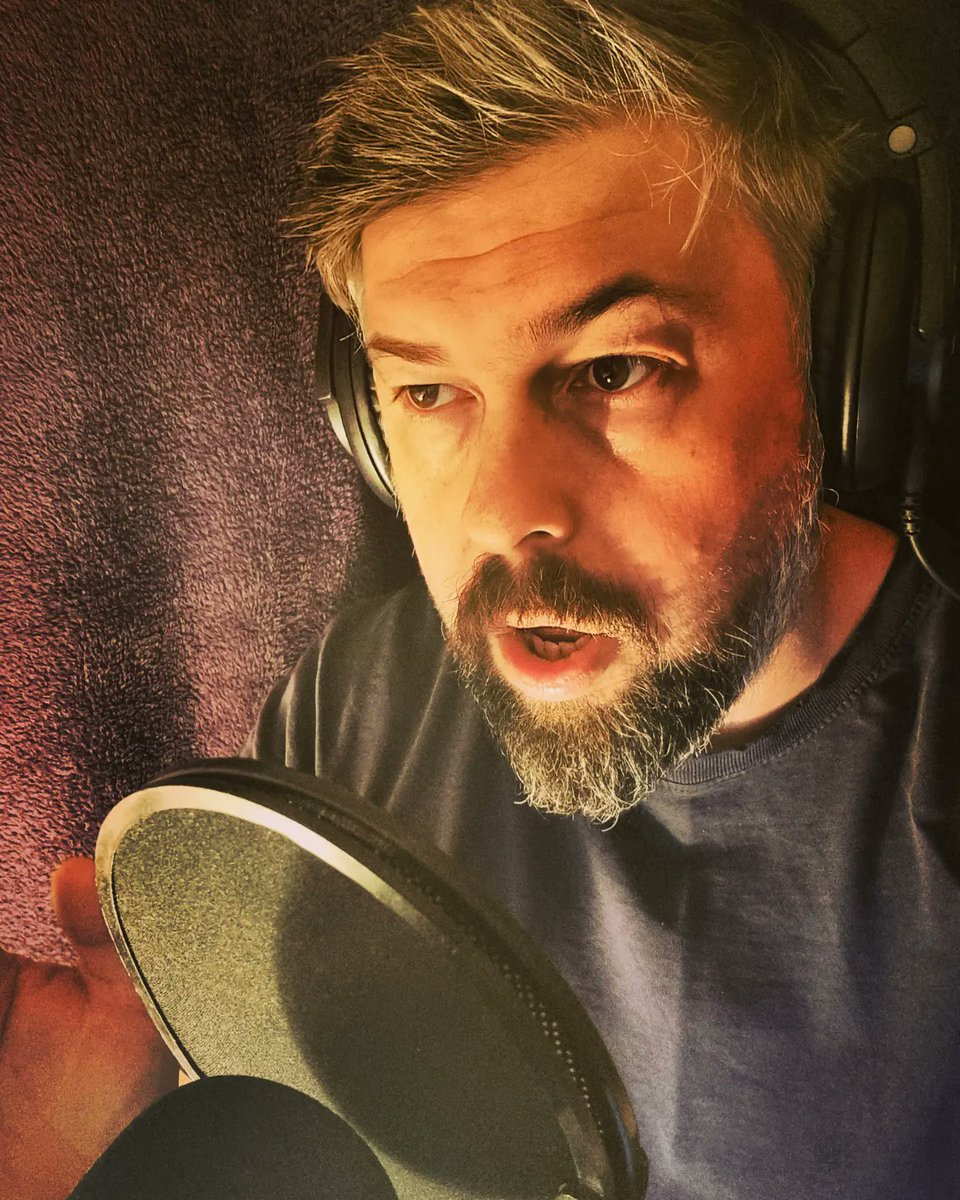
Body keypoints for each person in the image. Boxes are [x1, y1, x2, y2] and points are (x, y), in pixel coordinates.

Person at [2, 0, 958, 1197]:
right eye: (429, 394)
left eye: (616, 369)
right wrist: (116, 1140)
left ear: (841, 362)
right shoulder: (359, 712)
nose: (503, 514)